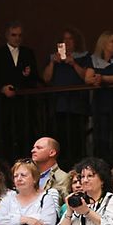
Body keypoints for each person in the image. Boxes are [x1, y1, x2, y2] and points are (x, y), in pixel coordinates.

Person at [0, 22, 39, 164]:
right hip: (4, 104)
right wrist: (2, 88)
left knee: (25, 135)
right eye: (14, 35)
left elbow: (35, 78)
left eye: (20, 35)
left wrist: (28, 75)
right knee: (5, 137)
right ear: (7, 36)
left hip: (23, 104)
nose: (17, 38)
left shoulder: (28, 53)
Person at [41, 29, 91, 161]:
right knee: (59, 139)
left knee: (77, 139)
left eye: (70, 39)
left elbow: (86, 76)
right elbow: (46, 78)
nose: (67, 42)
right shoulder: (53, 58)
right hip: (58, 106)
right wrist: (53, 62)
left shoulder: (84, 57)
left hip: (77, 105)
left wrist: (73, 63)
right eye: (64, 39)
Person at [84, 31, 113, 161]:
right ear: (103, 43)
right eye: (112, 41)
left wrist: (102, 78)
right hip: (101, 102)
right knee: (101, 135)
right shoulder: (93, 59)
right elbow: (87, 78)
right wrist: (94, 80)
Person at [30, 136, 70, 202]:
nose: (33, 151)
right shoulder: (27, 176)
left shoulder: (64, 178)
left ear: (52, 153)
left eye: (39, 148)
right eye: (33, 148)